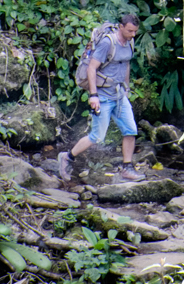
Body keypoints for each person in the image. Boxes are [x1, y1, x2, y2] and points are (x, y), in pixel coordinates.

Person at [58, 13, 144, 182]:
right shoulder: (107, 43)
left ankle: (127, 168)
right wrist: (93, 95)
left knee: (130, 130)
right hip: (103, 96)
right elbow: (92, 69)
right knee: (97, 137)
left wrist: (126, 88)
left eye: (135, 31)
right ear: (121, 27)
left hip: (119, 95)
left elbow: (126, 63)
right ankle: (67, 157)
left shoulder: (130, 42)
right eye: (129, 31)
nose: (133, 35)